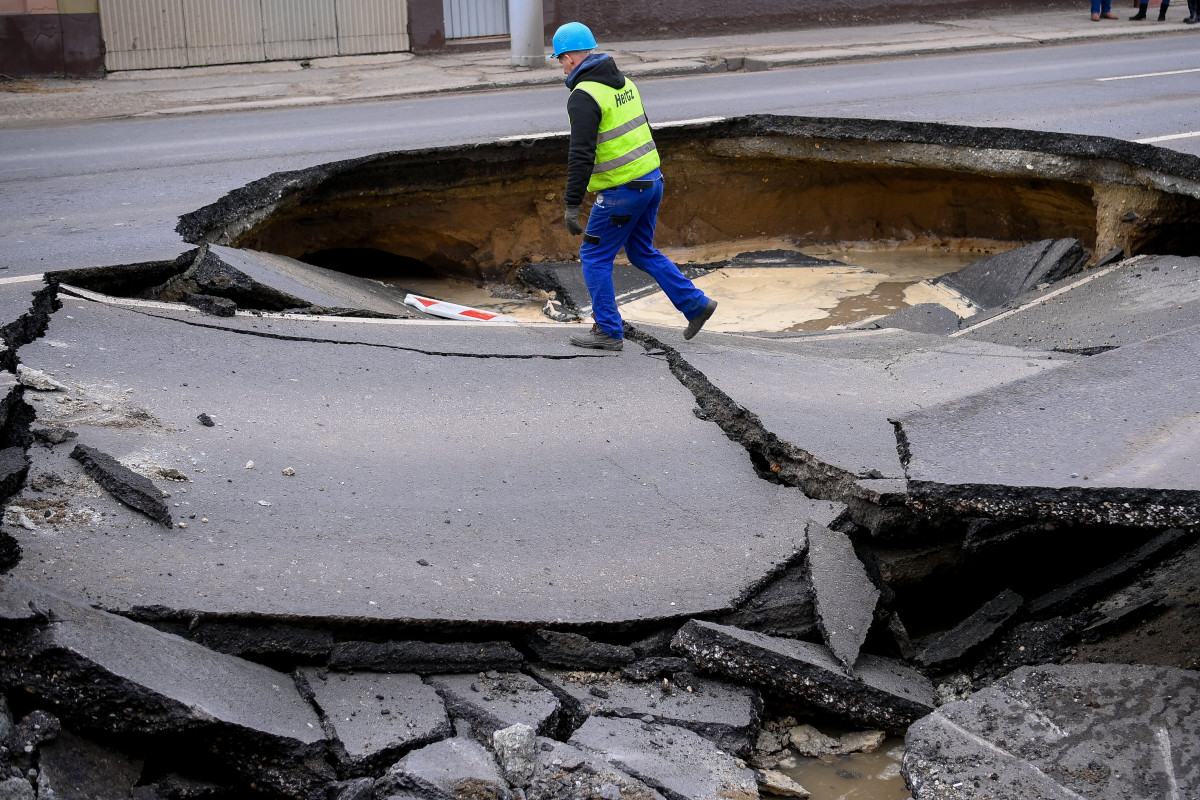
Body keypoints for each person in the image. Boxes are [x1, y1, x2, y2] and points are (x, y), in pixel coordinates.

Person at [550, 21, 718, 351]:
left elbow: (581, 153)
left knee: (594, 256)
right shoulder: (624, 83)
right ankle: (696, 305)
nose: (560, 65)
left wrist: (572, 203)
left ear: (569, 57)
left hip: (622, 192)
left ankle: (609, 332)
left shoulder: (584, 95)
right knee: (641, 251)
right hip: (651, 180)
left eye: (559, 58)